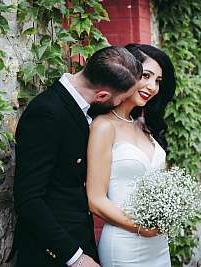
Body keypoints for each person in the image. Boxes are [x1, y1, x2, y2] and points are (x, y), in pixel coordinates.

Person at [13, 46, 143, 267]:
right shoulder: (46, 113)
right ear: (102, 95)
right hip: (52, 254)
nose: (120, 104)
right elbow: (28, 199)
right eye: (121, 99)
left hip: (80, 239)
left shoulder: (83, 105)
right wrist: (75, 257)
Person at [86, 44, 176, 267]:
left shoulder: (146, 126)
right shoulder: (104, 126)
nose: (152, 87)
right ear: (127, 71)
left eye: (158, 81)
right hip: (125, 245)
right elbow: (95, 200)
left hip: (158, 245)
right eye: (146, 76)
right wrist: (140, 227)